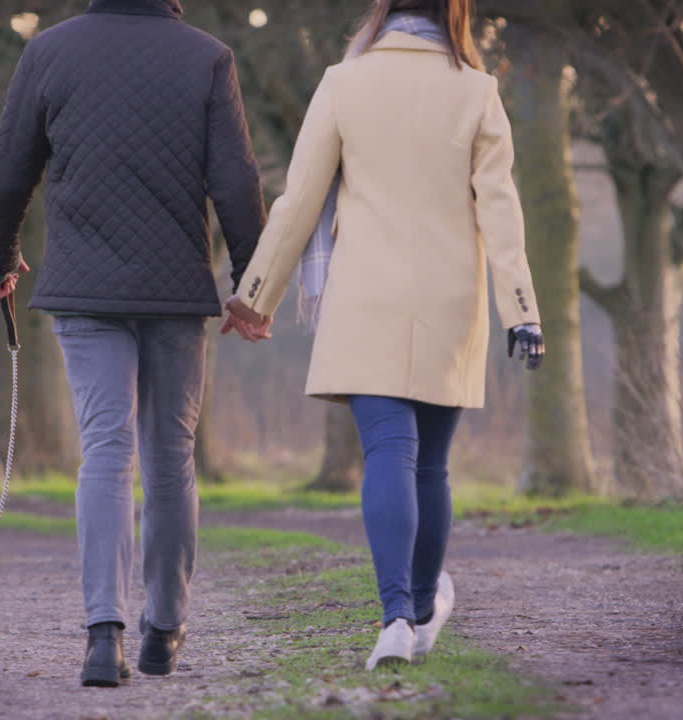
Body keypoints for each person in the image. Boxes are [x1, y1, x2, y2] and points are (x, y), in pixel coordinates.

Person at [224, 0, 546, 670]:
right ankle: (421, 612)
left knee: (387, 456)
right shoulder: (477, 92)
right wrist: (522, 310)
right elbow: (502, 208)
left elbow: (300, 199)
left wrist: (256, 295)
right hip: (449, 299)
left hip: (364, 296)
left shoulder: (346, 82)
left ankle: (396, 616)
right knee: (429, 465)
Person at [0, 0, 266, 688]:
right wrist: (253, 285)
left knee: (106, 451)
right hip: (173, 290)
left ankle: (103, 636)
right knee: (171, 458)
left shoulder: (50, 51)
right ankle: (164, 631)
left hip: (84, 286)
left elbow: (10, 165)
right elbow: (235, 178)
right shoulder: (206, 57)